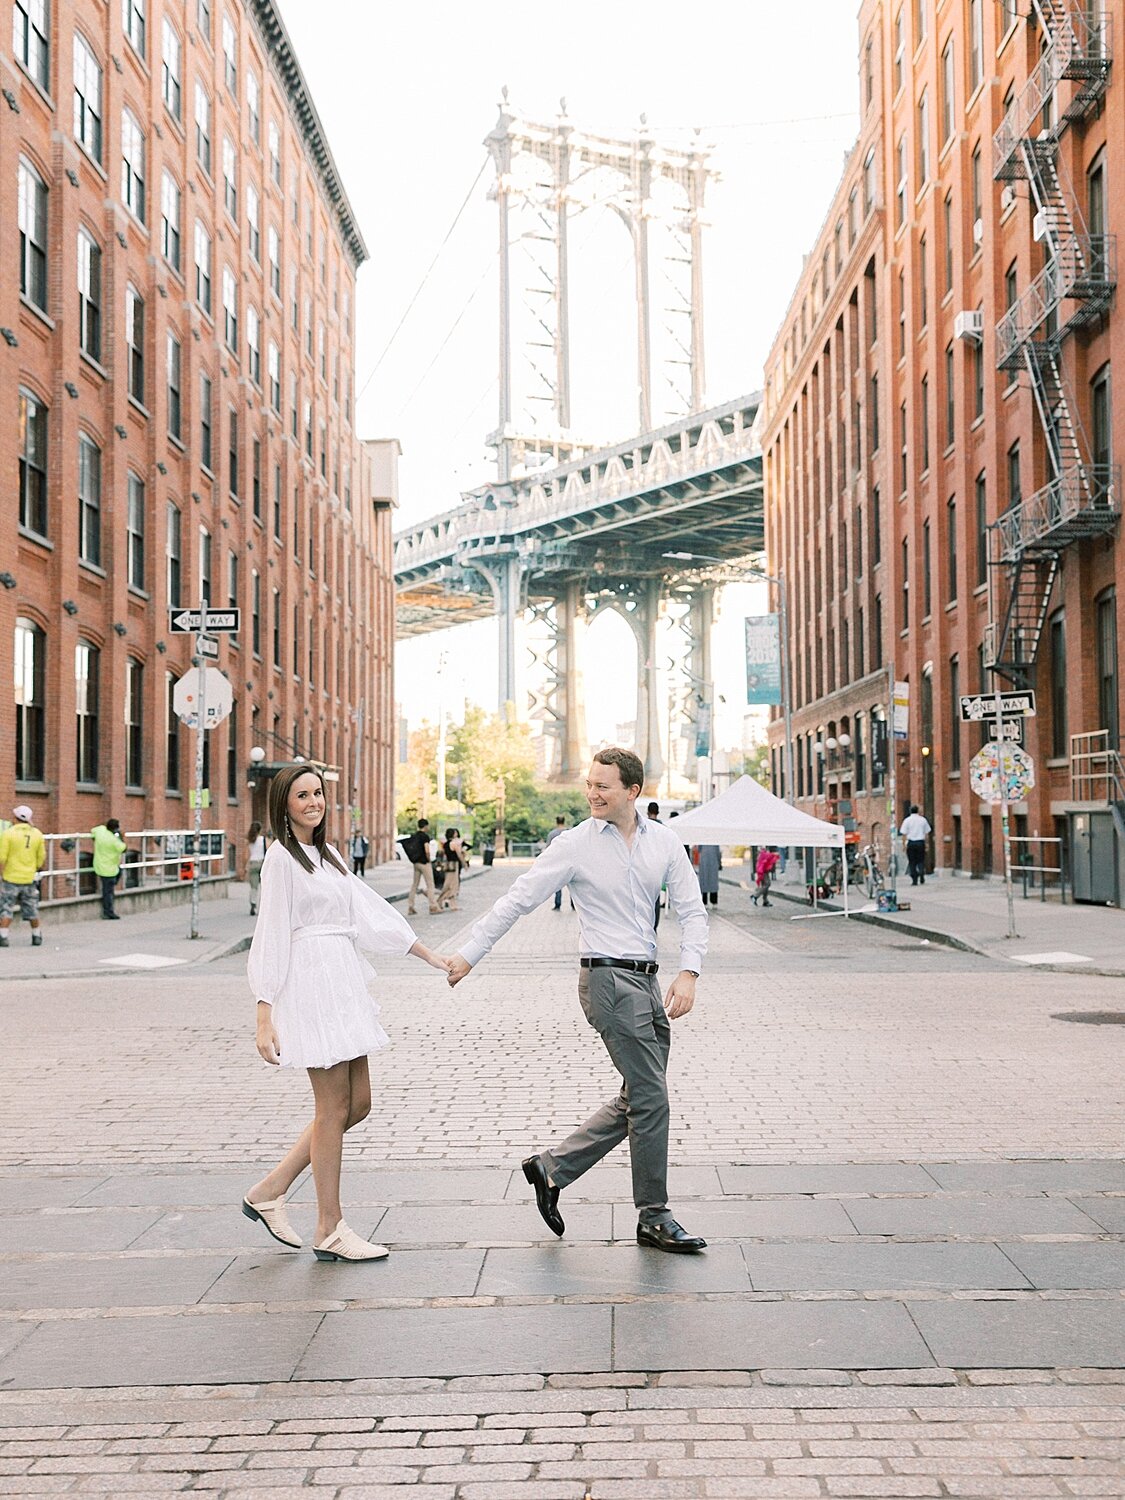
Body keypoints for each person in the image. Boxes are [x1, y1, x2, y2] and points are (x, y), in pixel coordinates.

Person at [447, 747, 710, 1254]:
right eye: (589, 783)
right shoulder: (575, 844)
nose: (592, 792)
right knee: (652, 1098)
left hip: (649, 983)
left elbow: (692, 911)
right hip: (607, 981)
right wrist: (470, 953)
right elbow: (518, 898)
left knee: (639, 1096)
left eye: (603, 786)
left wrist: (690, 971)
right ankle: (654, 1215)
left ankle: (551, 1169)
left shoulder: (665, 843)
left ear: (632, 792)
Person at [245, 764, 452, 1262]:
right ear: (284, 805)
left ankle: (270, 1190)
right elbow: (270, 934)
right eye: (302, 795)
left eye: (318, 793)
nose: (313, 802)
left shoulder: (330, 855)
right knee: (332, 1109)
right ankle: (330, 1227)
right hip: (311, 985)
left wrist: (429, 955)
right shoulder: (280, 858)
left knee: (356, 1105)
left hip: (343, 983)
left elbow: (370, 910)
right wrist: (264, 1011)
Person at [0, 805, 46, 948]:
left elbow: (2, 857)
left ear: (15, 818)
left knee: (6, 908)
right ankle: (36, 935)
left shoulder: (8, 834)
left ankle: (3, 936)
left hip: (11, 877)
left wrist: (2, 873)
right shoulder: (37, 834)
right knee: (32, 908)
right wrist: (34, 868)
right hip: (28, 877)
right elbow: (41, 857)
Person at [402, 818, 440, 916]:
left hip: (416, 863)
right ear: (426, 826)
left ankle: (411, 906)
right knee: (430, 884)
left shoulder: (414, 836)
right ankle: (433, 906)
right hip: (424, 863)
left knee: (415, 884)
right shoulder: (425, 837)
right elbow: (427, 850)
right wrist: (428, 860)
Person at [91, 818, 127, 920]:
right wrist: (121, 837)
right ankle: (108, 912)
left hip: (99, 865)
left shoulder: (100, 830)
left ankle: (108, 911)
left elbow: (93, 831)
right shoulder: (114, 840)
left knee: (109, 887)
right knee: (108, 892)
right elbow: (124, 848)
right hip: (110, 869)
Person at [900, 804, 932, 886]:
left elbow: (904, 834)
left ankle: (914, 879)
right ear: (917, 811)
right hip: (920, 842)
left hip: (911, 843)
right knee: (921, 860)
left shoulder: (907, 820)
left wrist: (904, 845)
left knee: (912, 862)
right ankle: (921, 872)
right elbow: (927, 833)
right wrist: (927, 844)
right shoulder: (923, 820)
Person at [545, 815, 571, 910]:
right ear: (564, 821)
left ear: (556, 822)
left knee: (557, 884)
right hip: (569, 860)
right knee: (572, 884)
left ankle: (558, 904)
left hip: (557, 861)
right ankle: (573, 904)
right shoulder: (570, 832)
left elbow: (548, 849)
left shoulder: (552, 834)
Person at [438, 827, 466, 911]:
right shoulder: (454, 843)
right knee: (452, 884)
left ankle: (452, 905)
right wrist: (464, 864)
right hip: (454, 865)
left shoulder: (446, 844)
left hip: (448, 865)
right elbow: (459, 854)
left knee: (449, 884)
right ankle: (440, 900)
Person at [647, 801, 664, 928]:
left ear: (647, 812)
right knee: (655, 899)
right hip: (658, 866)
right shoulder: (662, 828)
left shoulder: (641, 825)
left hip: (643, 865)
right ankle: (654, 927)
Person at [246, 821, 267, 915]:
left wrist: (245, 867)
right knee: (265, 886)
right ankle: (264, 907)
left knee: (254, 887)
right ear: (260, 830)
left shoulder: (250, 841)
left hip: (253, 863)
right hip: (262, 864)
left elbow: (246, 855)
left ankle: (253, 905)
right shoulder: (263, 840)